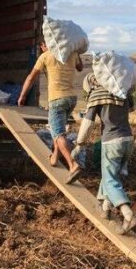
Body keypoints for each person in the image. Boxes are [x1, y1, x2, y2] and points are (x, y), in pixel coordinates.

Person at [73, 74, 136, 233]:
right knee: (111, 174)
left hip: (112, 142)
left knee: (109, 180)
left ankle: (127, 214)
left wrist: (79, 144)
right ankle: (106, 207)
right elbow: (131, 107)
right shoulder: (121, 91)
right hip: (128, 140)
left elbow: (87, 123)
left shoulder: (96, 95)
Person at [19, 41, 84, 182]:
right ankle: (54, 157)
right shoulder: (71, 53)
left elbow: (31, 77)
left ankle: (73, 165)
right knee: (58, 130)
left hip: (57, 99)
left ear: (47, 44)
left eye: (43, 44)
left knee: (58, 134)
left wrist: (23, 96)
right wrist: (75, 51)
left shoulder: (45, 56)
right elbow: (80, 67)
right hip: (71, 99)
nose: (41, 47)